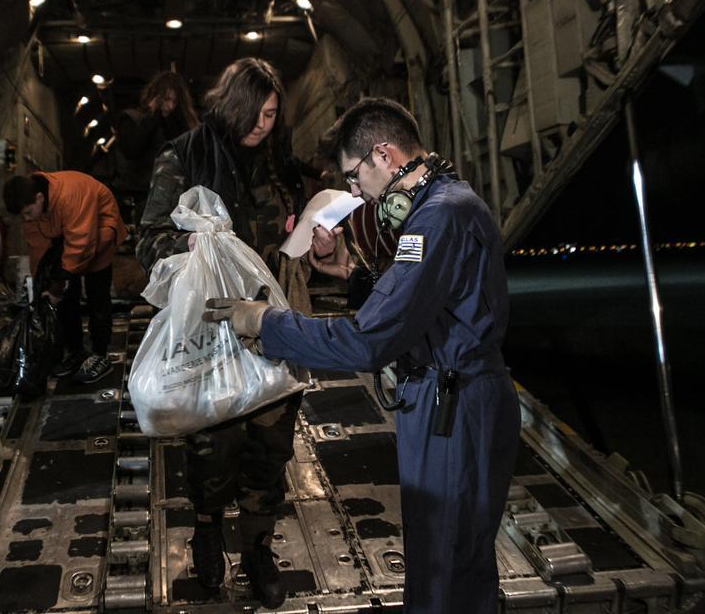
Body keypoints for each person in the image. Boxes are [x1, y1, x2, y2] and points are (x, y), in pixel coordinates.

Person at [203, 98, 520, 614]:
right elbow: (426, 302)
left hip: (453, 408)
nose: (354, 192)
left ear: (384, 155)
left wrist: (265, 323)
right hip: (449, 397)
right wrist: (348, 271)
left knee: (443, 568)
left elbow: (369, 341)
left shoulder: (437, 218)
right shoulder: (444, 204)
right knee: (451, 559)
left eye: (354, 177)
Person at [136, 57, 307, 610]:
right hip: (213, 332)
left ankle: (257, 548)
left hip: (270, 326)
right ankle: (208, 531)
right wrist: (189, 245)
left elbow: (292, 229)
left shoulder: (278, 159)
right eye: (255, 113)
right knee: (213, 445)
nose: (263, 124)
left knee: (270, 449)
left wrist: (314, 240)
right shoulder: (184, 155)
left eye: (272, 115)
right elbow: (148, 238)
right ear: (232, 105)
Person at [3, 171, 127, 384]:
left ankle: (100, 353)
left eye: (28, 212)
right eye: (23, 215)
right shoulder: (32, 205)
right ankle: (76, 351)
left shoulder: (70, 195)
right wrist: (42, 283)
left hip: (99, 228)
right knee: (67, 297)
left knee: (97, 294)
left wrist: (57, 286)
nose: (27, 218)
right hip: (69, 230)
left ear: (39, 198)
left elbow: (81, 243)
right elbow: (38, 247)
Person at [113, 70, 198, 225]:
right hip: (143, 198)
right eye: (166, 99)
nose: (170, 106)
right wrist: (152, 115)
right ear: (155, 96)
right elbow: (133, 150)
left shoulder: (176, 125)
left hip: (175, 200)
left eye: (175, 102)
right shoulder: (131, 119)